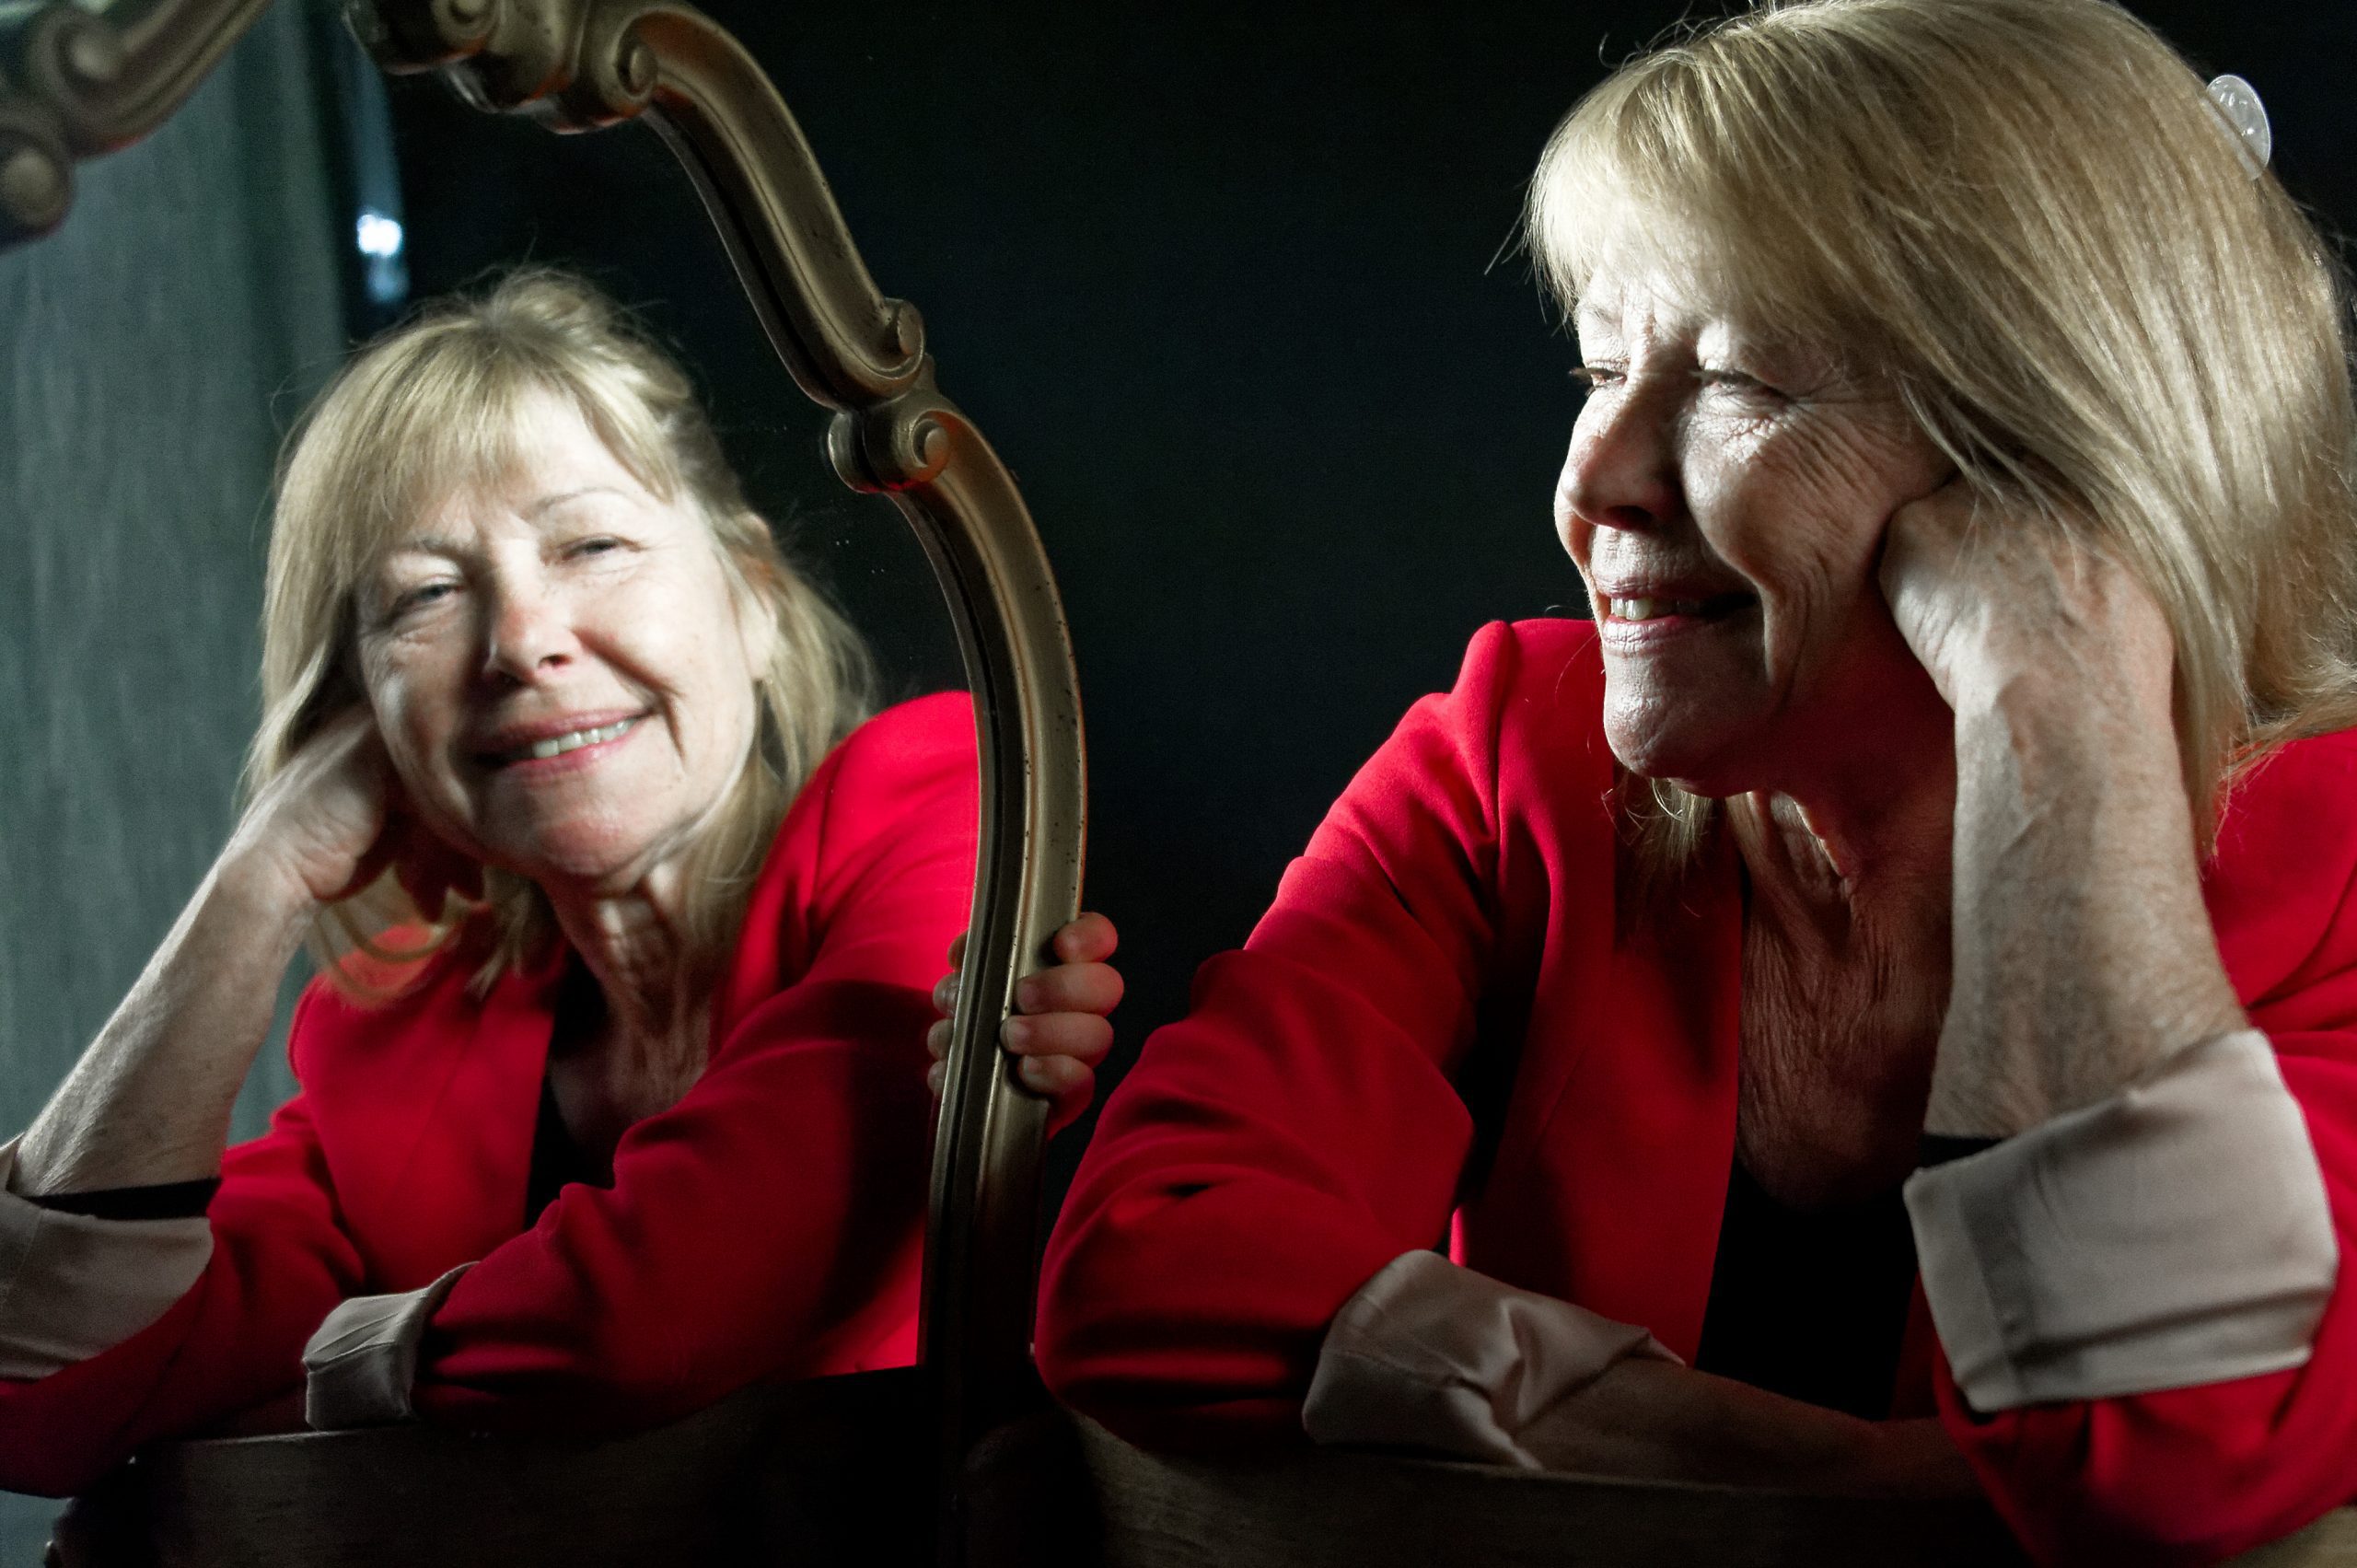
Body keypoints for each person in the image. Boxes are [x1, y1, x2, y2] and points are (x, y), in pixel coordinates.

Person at [1023, 2, 2357, 1562]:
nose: (1591, 482)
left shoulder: (2336, 869)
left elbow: (2164, 1458)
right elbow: (1147, 1265)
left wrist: (2054, 693)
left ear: (2066, 455)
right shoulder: (1510, 744)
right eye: (1599, 366)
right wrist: (1820, 1480)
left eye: (1746, 385)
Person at [0, 270, 985, 1497]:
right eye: (425, 596)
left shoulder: (932, 796)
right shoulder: (393, 1045)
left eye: (593, 545)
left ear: (756, 603)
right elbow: (29, 1399)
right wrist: (258, 884)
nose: (521, 642)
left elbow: (668, 1310)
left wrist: (342, 1376)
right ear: (361, 709)